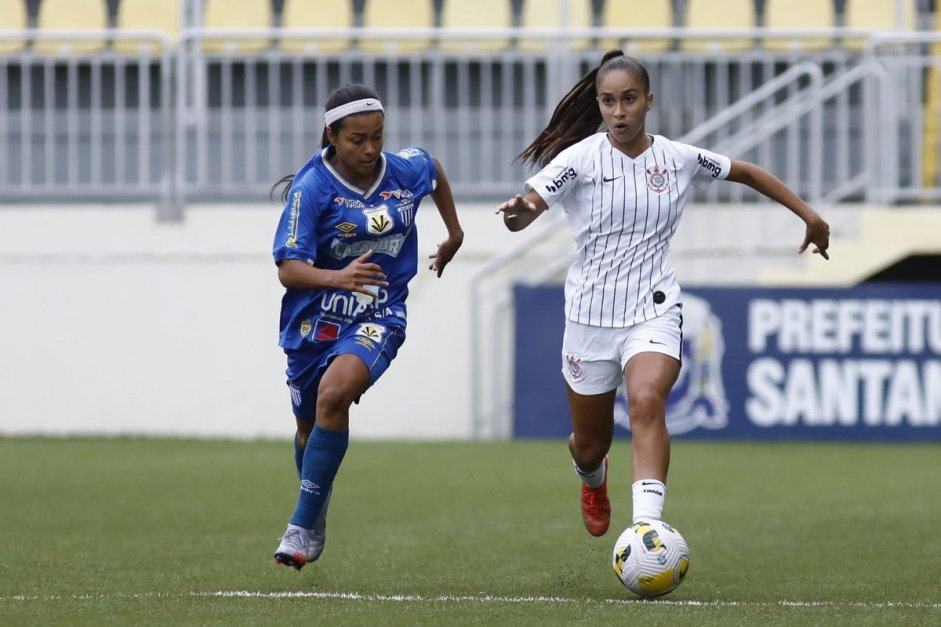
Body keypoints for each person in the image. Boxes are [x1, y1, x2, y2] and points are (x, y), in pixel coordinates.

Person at [496, 51, 830, 537]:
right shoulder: (580, 158)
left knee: (648, 400)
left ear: (649, 101)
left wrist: (810, 216)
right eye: (608, 101)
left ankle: (646, 529)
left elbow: (748, 172)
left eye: (629, 99)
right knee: (589, 445)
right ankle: (593, 479)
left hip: (653, 309)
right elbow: (530, 205)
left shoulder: (677, 158)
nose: (618, 111)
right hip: (589, 317)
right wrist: (516, 213)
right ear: (599, 104)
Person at [270, 83, 464, 570]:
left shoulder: (402, 170)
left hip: (380, 312)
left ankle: (298, 524)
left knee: (335, 395)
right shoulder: (311, 188)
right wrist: (337, 276)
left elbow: (433, 168)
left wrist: (455, 233)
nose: (371, 148)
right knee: (307, 429)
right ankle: (315, 511)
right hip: (314, 323)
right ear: (331, 135)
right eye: (358, 139)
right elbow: (288, 270)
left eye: (378, 136)